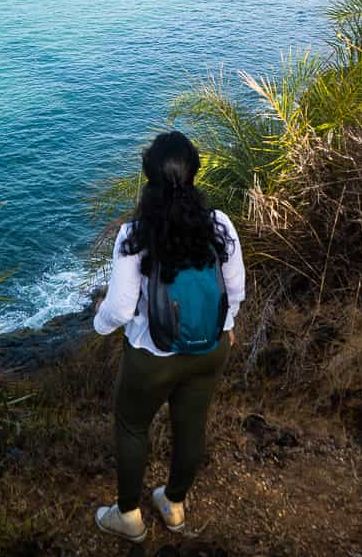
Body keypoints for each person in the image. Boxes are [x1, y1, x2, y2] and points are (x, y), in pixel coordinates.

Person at [93, 131, 246, 542]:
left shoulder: (135, 234)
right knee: (191, 427)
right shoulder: (219, 225)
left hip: (152, 353)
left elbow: (121, 309)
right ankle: (174, 503)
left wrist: (98, 325)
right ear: (195, 172)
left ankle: (128, 516)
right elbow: (235, 289)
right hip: (211, 348)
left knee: (131, 426)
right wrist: (227, 326)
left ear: (148, 177)